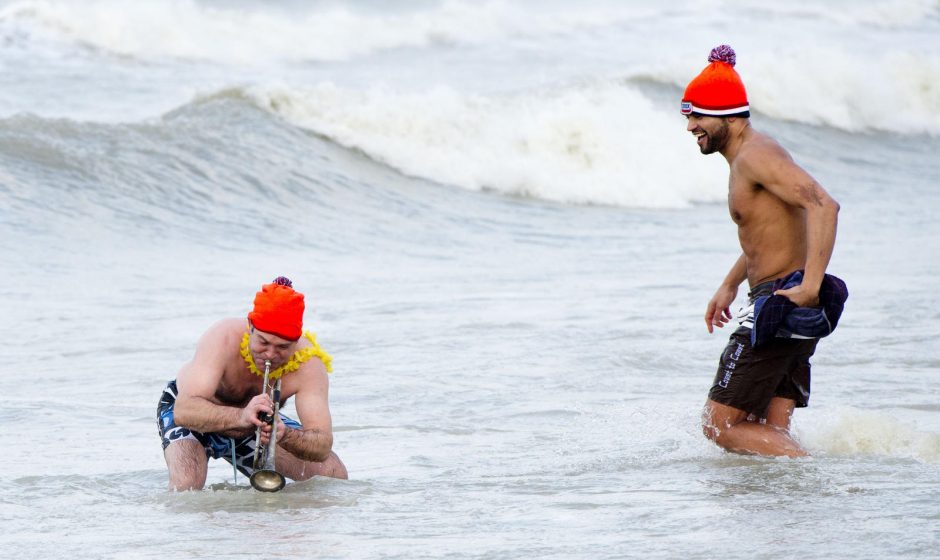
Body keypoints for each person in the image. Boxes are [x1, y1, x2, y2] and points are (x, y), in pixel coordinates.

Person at [681, 45, 841, 457]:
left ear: (729, 116)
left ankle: (821, 476)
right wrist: (729, 285)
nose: (690, 127)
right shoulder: (745, 159)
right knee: (766, 429)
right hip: (780, 297)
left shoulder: (756, 155)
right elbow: (768, 232)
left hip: (782, 302)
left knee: (720, 425)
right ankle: (786, 511)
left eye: (698, 116)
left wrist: (809, 285)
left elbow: (823, 205)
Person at [157, 276, 347, 490]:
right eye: (263, 342)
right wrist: (241, 416)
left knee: (333, 474)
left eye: (283, 347)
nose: (270, 354)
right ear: (251, 327)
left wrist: (286, 436)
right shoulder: (224, 336)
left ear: (297, 341)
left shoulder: (309, 365)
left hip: (252, 427)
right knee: (187, 487)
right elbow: (184, 411)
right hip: (195, 415)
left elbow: (321, 444)